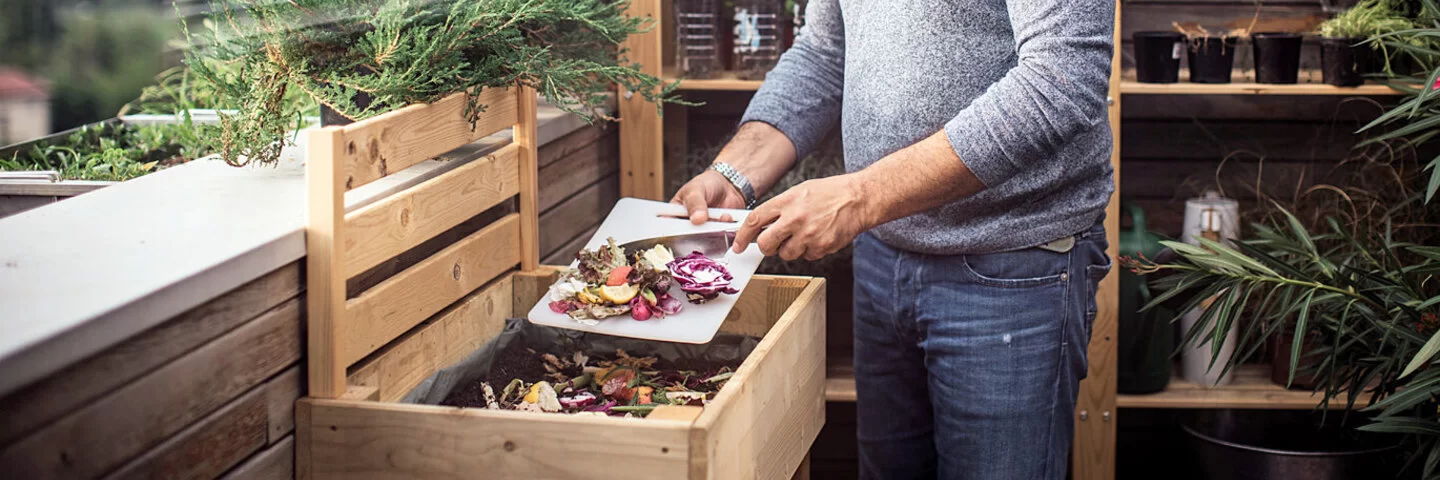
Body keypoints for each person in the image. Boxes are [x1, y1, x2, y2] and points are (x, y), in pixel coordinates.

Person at [670, 1, 1116, 479]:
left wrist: (862, 197)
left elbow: (1060, 80)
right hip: (883, 257)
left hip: (1013, 270)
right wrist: (735, 174)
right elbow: (824, 54)